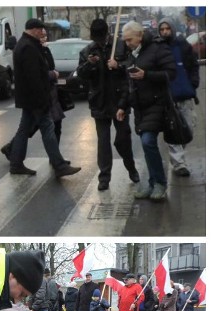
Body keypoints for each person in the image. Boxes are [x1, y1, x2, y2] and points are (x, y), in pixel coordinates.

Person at [7, 18, 80, 178]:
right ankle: (59, 165)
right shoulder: (28, 47)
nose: (43, 32)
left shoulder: (26, 44)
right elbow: (34, 77)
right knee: (48, 129)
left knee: (23, 130)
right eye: (41, 30)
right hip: (35, 97)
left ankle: (16, 163)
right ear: (34, 29)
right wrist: (43, 98)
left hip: (29, 97)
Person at [75, 18, 140, 191]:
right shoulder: (88, 51)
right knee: (103, 142)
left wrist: (118, 65)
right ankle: (104, 177)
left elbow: (132, 65)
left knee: (123, 138)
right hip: (99, 102)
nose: (99, 42)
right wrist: (90, 63)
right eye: (96, 39)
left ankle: (131, 168)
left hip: (120, 101)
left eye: (101, 38)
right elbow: (81, 74)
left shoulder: (120, 46)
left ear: (107, 34)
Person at [122, 21, 176, 201]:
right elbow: (128, 84)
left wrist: (147, 75)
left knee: (147, 141)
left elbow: (171, 73)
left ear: (140, 35)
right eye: (125, 40)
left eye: (129, 39)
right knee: (147, 146)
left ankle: (160, 183)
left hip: (157, 103)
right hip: (140, 107)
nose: (127, 43)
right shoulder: (132, 53)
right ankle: (153, 182)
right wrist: (122, 106)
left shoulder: (157, 48)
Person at [0, 29, 67, 156]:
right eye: (41, 35)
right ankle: (56, 161)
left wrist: (45, 50)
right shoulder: (31, 50)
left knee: (44, 125)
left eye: (45, 36)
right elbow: (39, 73)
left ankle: (13, 151)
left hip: (49, 92)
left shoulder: (43, 50)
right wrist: (53, 74)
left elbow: (51, 65)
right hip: (41, 93)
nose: (44, 38)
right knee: (38, 125)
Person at [157, 17, 200, 177]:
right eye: (162, 29)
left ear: (172, 29)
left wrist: (193, 83)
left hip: (186, 95)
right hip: (169, 98)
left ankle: (179, 158)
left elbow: (194, 65)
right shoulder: (158, 48)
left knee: (188, 129)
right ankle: (179, 163)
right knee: (174, 130)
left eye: (167, 29)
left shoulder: (183, 46)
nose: (165, 32)